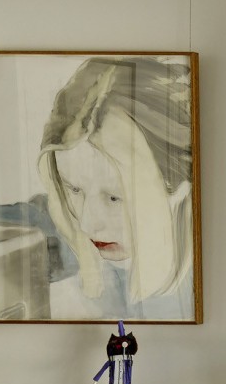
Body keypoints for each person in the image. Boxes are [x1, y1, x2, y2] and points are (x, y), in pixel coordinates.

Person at [35, 56, 198, 320]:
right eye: (73, 189)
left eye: (114, 197)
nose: (88, 225)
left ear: (181, 186)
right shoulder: (69, 298)